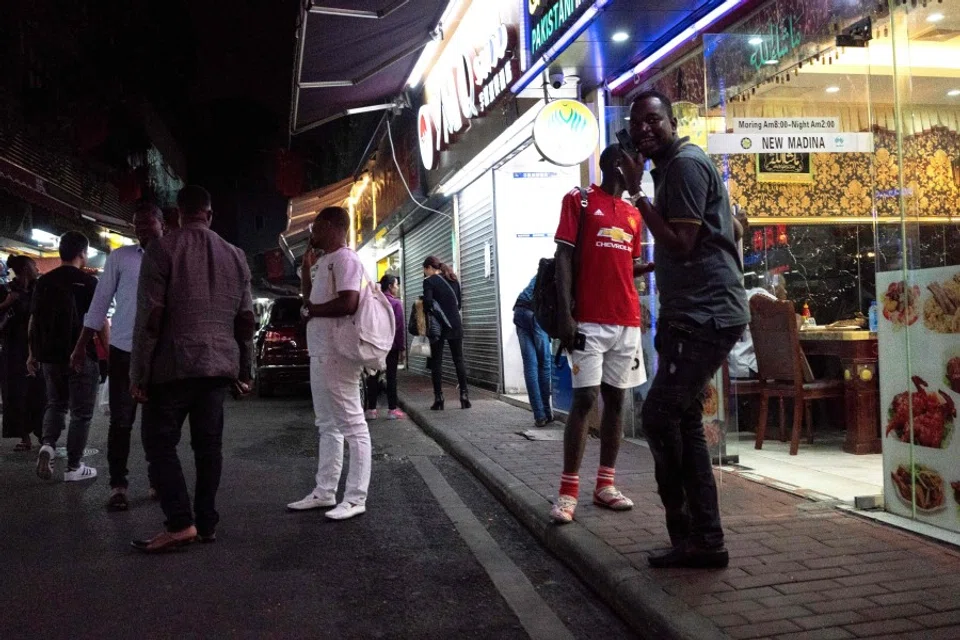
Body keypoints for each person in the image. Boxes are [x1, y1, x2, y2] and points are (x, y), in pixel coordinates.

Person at [620, 90, 750, 569]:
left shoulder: (685, 165)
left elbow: (683, 240)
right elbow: (691, 242)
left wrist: (637, 196)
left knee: (660, 415)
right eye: (636, 124)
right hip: (694, 313)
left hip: (706, 315)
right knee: (684, 418)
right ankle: (703, 538)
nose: (643, 130)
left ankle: (691, 530)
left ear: (671, 122)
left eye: (653, 120)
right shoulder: (672, 167)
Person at [129, 185, 255, 553]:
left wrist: (138, 374)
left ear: (176, 215)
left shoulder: (162, 249)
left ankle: (181, 522)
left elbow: (150, 318)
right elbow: (245, 319)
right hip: (217, 367)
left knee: (158, 444)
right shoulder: (235, 255)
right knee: (208, 447)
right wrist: (244, 372)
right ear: (210, 214)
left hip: (172, 366)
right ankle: (206, 523)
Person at [550, 144, 653, 525]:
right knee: (585, 399)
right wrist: (565, 315)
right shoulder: (578, 200)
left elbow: (625, 264)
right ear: (616, 164)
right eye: (636, 162)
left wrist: (645, 270)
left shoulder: (632, 214)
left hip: (626, 320)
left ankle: (605, 485)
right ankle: (568, 491)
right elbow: (563, 258)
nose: (640, 169)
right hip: (588, 321)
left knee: (616, 401)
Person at [71, 203, 164, 511]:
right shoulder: (120, 257)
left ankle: (157, 481)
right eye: (137, 225)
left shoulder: (172, 255)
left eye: (147, 223)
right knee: (121, 423)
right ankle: (118, 485)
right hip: (123, 350)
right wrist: (79, 346)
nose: (141, 229)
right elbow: (99, 304)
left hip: (161, 353)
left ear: (161, 223)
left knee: (156, 423)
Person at [286, 207, 371, 521]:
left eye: (317, 226)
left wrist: (312, 313)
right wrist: (308, 270)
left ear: (334, 226)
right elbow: (310, 299)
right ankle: (324, 492)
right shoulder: (324, 261)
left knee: (353, 426)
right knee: (328, 426)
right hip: (321, 353)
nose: (312, 233)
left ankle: (355, 498)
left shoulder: (346, 259)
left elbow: (348, 302)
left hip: (338, 354)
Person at [29, 231, 103, 482]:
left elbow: (33, 320)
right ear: (83, 252)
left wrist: (32, 354)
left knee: (55, 403)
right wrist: (111, 354)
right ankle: (73, 467)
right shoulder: (88, 282)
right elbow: (100, 321)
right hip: (80, 356)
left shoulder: (43, 282)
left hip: (49, 356)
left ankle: (48, 445)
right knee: (81, 413)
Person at [0, 255, 45, 451]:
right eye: (34, 265)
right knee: (17, 394)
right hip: (13, 350)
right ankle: (24, 437)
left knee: (40, 392)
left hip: (36, 347)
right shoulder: (6, 290)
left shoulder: (40, 288)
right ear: (26, 268)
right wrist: (6, 303)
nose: (37, 267)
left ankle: (45, 436)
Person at [422, 256, 469, 410]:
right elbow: (459, 304)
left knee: (437, 362)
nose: (424, 273)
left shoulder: (429, 281)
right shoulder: (454, 280)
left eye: (424, 270)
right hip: (455, 324)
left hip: (439, 326)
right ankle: (464, 396)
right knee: (459, 360)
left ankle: (439, 399)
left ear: (429, 268)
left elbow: (428, 303)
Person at [364, 274, 405, 421]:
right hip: (391, 346)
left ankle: (371, 410)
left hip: (374, 344)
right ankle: (392, 410)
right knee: (391, 377)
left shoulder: (372, 301)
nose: (397, 287)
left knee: (373, 376)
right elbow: (399, 328)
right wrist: (401, 348)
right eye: (396, 284)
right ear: (390, 286)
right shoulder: (396, 303)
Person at [513, 275, 553, 427]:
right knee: (544, 363)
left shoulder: (545, 269)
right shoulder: (564, 272)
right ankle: (547, 412)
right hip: (536, 314)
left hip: (520, 311)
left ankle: (539, 415)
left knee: (530, 365)